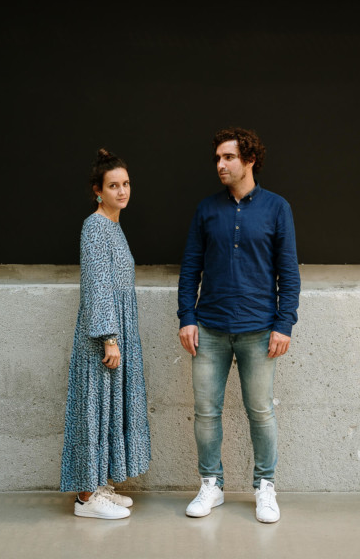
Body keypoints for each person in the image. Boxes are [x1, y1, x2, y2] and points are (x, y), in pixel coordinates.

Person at [177, 127, 300, 524]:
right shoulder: (206, 209)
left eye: (228, 157)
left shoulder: (277, 208)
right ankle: (211, 485)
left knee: (261, 411)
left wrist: (285, 324)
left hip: (260, 331)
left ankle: (265, 487)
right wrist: (187, 317)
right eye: (217, 158)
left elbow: (288, 274)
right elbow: (190, 268)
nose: (220, 165)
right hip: (209, 329)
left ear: (249, 160)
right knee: (206, 411)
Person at [60, 148, 151, 519]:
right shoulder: (95, 226)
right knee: (93, 407)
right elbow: (97, 285)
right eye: (114, 185)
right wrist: (109, 338)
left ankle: (99, 484)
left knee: (109, 407)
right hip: (102, 336)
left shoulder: (113, 225)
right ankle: (86, 497)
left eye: (126, 184)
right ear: (98, 190)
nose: (122, 191)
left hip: (116, 330)